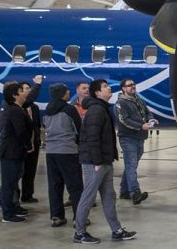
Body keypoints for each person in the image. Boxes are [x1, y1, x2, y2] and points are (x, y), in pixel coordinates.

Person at [74, 79, 136, 244]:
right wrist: (97, 162)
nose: (109, 88)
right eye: (105, 87)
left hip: (105, 161)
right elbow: (92, 138)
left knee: (109, 196)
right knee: (88, 197)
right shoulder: (96, 110)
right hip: (95, 162)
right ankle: (79, 233)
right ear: (97, 93)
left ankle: (116, 230)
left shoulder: (102, 109)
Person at [43, 83, 84, 227]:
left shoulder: (47, 110)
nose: (69, 93)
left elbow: (44, 127)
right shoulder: (69, 109)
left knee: (55, 185)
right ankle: (79, 218)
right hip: (67, 151)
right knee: (75, 186)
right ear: (62, 94)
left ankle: (56, 216)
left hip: (51, 152)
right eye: (67, 91)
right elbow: (79, 128)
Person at [115, 78, 156, 205]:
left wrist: (151, 120)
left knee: (131, 166)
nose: (133, 86)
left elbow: (147, 112)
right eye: (129, 85)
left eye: (133, 84)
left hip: (140, 138)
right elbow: (124, 120)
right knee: (131, 166)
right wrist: (141, 126)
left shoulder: (138, 100)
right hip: (128, 138)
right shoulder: (121, 103)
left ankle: (124, 191)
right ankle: (135, 193)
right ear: (123, 88)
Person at [0, 82, 33, 223]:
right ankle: (7, 214)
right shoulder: (14, 111)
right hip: (11, 152)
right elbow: (21, 131)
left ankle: (11, 209)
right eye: (21, 91)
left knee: (12, 183)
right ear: (14, 95)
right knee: (9, 184)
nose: (25, 93)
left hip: (15, 151)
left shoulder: (18, 109)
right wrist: (28, 145)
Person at [19, 78, 42, 203]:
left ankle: (27, 195)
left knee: (31, 170)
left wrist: (37, 140)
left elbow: (37, 125)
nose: (28, 91)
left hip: (34, 144)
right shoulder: (19, 107)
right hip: (22, 145)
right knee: (18, 171)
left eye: (29, 88)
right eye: (26, 89)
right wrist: (37, 84)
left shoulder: (34, 108)